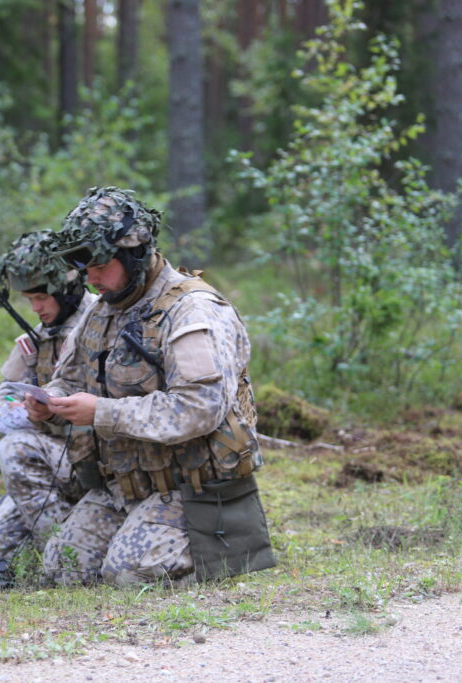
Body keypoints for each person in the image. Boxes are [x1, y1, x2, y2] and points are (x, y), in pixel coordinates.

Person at [24, 187, 275, 585]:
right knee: (63, 570)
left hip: (191, 491)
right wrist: (50, 403)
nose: (91, 279)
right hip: (123, 486)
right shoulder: (102, 311)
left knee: (131, 576)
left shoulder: (192, 311)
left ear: (134, 254)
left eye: (101, 265)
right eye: (83, 267)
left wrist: (102, 413)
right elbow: (70, 379)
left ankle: (226, 548)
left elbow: (200, 407)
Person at [0, 230, 98, 561]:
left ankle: (65, 557)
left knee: (15, 450)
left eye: (42, 298)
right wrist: (15, 407)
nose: (36, 308)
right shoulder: (38, 337)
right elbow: (6, 390)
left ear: (65, 288)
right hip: (49, 452)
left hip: (95, 457)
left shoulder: (101, 322)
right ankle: (66, 540)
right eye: (29, 299)